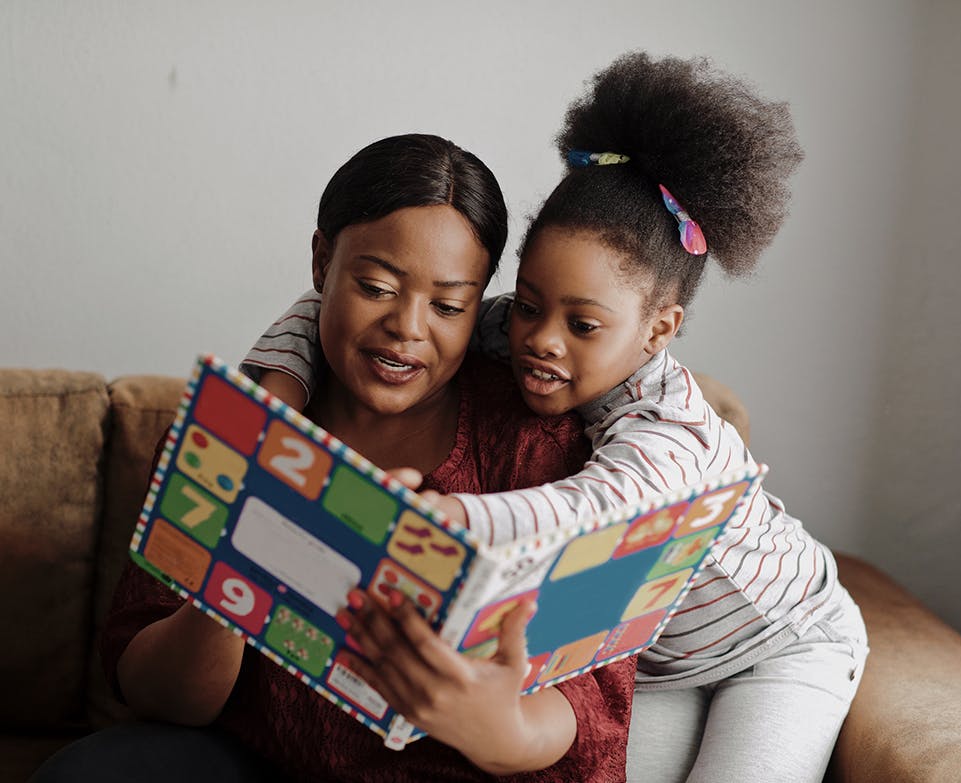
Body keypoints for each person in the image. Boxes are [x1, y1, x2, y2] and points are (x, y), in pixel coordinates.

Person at [243, 52, 869, 783]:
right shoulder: (512, 338)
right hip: (659, 662)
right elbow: (330, 307)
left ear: (659, 331)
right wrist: (275, 395)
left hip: (779, 646)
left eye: (583, 324)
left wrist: (454, 521)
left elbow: (594, 512)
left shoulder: (673, 434)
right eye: (531, 303)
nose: (540, 338)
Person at [29, 134, 634, 783]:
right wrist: (236, 580)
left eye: (449, 306)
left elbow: (595, 701)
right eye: (376, 286)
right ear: (321, 262)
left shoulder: (531, 442)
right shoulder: (234, 426)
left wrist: (497, 726)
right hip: (255, 760)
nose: (408, 326)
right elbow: (149, 688)